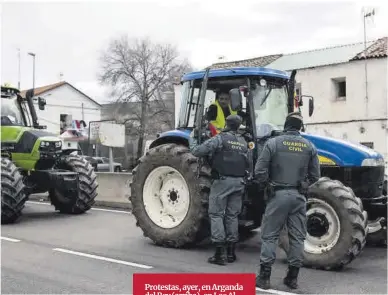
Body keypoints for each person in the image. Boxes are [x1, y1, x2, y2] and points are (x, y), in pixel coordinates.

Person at [254, 111, 320, 290]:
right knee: (297, 237)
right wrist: (303, 185)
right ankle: (292, 278)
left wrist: (267, 184)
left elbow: (259, 171)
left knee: (270, 235)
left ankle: (264, 278)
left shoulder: (273, 143)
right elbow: (315, 175)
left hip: (277, 195)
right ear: (299, 128)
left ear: (285, 125)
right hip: (298, 197)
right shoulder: (309, 146)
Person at [189, 114, 249, 265]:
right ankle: (231, 253)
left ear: (226, 124)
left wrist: (192, 137)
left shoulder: (220, 139)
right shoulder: (243, 142)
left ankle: (219, 254)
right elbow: (249, 163)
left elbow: (197, 151)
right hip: (239, 182)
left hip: (222, 182)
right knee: (232, 216)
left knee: (216, 215)